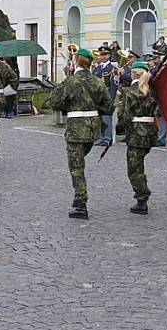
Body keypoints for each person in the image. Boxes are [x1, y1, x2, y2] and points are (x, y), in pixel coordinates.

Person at [47, 48, 113, 219]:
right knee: (79, 162)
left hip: (76, 129)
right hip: (93, 131)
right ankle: (80, 199)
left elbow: (54, 102)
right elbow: (108, 106)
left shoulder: (71, 81)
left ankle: (81, 203)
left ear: (76, 62)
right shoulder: (98, 82)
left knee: (76, 167)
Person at [116, 60, 160, 215]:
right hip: (150, 132)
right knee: (138, 165)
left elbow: (125, 116)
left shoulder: (131, 92)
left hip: (136, 134)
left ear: (134, 73)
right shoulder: (153, 90)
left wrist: (119, 129)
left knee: (134, 168)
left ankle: (142, 198)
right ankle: (142, 194)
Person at [92, 45, 117, 147]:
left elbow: (114, 85)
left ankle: (107, 138)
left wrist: (110, 99)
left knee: (107, 117)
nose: (103, 57)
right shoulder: (97, 69)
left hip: (107, 96)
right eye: (101, 55)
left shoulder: (113, 69)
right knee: (100, 118)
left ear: (109, 55)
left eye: (105, 54)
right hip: (98, 97)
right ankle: (102, 137)